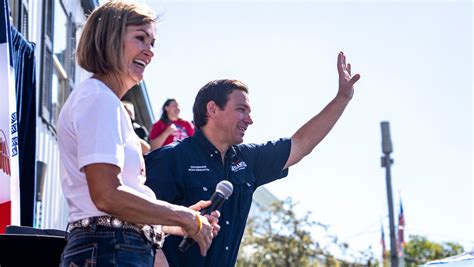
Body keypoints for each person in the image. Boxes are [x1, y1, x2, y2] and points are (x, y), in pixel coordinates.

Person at [145, 52, 361, 266]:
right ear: (212, 109)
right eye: (242, 110)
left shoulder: (248, 159)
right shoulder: (171, 158)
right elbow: (132, 218)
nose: (250, 120)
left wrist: (342, 99)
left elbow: (301, 144)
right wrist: (157, 258)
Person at [56, 2, 219, 266]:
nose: (150, 51)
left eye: (152, 42)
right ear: (109, 38)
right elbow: (107, 195)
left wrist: (180, 222)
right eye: (140, 38)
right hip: (110, 249)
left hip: (110, 247)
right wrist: (183, 217)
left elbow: (112, 202)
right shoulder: (99, 99)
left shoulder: (103, 101)